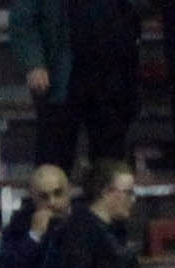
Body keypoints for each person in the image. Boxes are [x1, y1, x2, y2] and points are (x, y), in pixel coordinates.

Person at [11, 0, 139, 170]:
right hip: (60, 77)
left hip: (111, 76)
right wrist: (34, 63)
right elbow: (22, 19)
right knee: (53, 166)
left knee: (111, 166)